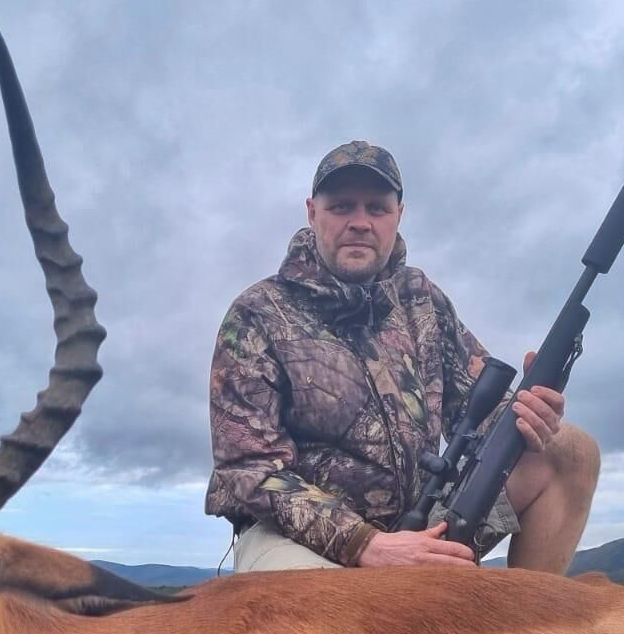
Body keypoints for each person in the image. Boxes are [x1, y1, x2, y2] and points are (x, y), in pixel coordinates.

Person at [206, 140, 601, 574]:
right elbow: (250, 469)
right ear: (312, 213)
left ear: (399, 215)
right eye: (341, 207)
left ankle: (527, 613)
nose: (360, 222)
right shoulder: (257, 313)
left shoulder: (423, 300)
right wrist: (365, 544)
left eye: (377, 208)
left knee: (570, 451)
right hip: (296, 538)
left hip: (419, 522)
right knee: (331, 606)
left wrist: (527, 414)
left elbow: (478, 414)